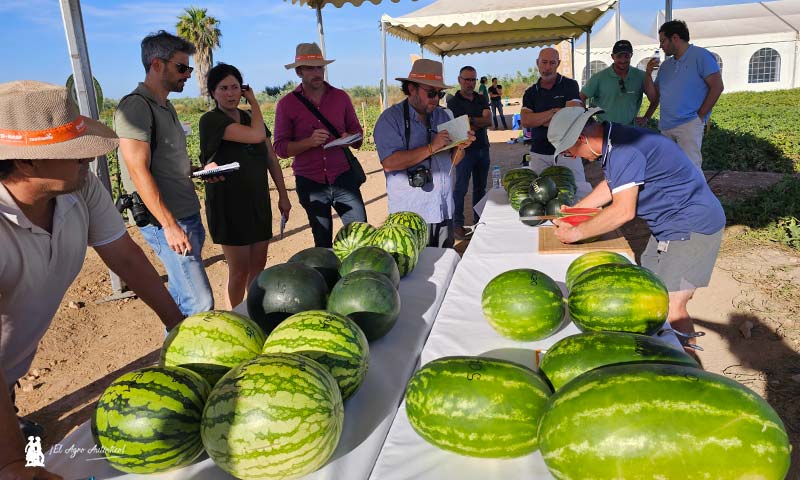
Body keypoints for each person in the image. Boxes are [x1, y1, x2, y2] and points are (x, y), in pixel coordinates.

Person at [0, 80, 184, 480]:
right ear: (27, 162)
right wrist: (13, 464)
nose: (88, 160)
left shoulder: (78, 185)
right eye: (75, 152)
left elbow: (126, 257)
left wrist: (179, 326)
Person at [547, 106, 725, 347]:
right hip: (668, 224)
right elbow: (613, 185)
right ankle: (657, 350)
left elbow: (623, 211)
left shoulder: (624, 149)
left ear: (581, 138)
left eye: (570, 151)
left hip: (691, 226)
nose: (574, 157)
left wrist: (576, 232)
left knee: (670, 305)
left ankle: (688, 369)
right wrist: (576, 212)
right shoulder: (616, 139)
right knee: (647, 296)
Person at [115, 30, 214, 316]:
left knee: (183, 299)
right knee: (200, 304)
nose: (187, 74)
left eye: (189, 68)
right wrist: (169, 225)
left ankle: (171, 356)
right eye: (181, 67)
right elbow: (136, 168)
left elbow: (164, 162)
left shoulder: (165, 105)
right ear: (157, 65)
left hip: (183, 213)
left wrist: (198, 172)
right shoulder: (136, 106)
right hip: (167, 220)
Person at [199, 63, 292, 309]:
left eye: (235, 87)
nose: (230, 93)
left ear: (243, 89)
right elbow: (256, 136)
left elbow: (271, 157)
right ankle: (235, 317)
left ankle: (251, 312)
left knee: (258, 267)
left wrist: (283, 195)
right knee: (239, 271)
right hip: (229, 204)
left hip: (258, 200)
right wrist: (256, 104)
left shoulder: (252, 119)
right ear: (213, 93)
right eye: (223, 88)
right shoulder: (210, 120)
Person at [374, 59, 475, 249]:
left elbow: (453, 161)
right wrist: (431, 147)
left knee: (444, 264)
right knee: (417, 273)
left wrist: (461, 147)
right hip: (411, 215)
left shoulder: (444, 115)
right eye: (431, 93)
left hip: (443, 209)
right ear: (411, 88)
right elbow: (389, 162)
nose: (436, 98)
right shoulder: (390, 119)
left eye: (439, 93)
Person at [273, 43, 367, 248]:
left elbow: (359, 137)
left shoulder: (340, 97)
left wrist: (348, 137)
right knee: (323, 244)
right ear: (299, 72)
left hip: (344, 177)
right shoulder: (286, 104)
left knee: (361, 237)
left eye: (319, 67)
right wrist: (309, 142)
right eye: (309, 68)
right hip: (310, 182)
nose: (316, 72)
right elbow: (280, 149)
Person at [644, 20, 724, 170]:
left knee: (691, 168)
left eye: (663, 41)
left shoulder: (701, 56)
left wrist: (700, 116)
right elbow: (654, 97)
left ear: (675, 38)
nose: (661, 46)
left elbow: (717, 87)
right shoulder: (666, 65)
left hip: (689, 124)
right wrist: (648, 73)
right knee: (667, 169)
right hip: (666, 126)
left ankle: (697, 194)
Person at [520, 48, 590, 198]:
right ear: (537, 63)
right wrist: (554, 112)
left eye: (552, 63)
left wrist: (539, 119)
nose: (547, 67)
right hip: (539, 153)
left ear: (558, 64)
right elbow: (526, 121)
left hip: (569, 150)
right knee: (543, 198)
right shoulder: (530, 92)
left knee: (577, 193)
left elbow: (571, 116)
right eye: (544, 62)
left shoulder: (570, 85)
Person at [446, 66, 491, 240]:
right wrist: (476, 121)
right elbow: (459, 127)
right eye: (467, 79)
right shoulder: (453, 102)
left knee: (480, 188)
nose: (470, 83)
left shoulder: (481, 98)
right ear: (459, 80)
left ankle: (478, 222)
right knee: (461, 188)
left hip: (483, 148)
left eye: (473, 80)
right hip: (464, 151)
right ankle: (458, 225)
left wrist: (470, 120)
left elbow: (489, 120)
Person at [579, 40, 658, 127]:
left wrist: (646, 118)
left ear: (631, 55)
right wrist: (588, 121)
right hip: (605, 131)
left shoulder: (641, 76)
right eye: (619, 56)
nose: (623, 60)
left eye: (626, 56)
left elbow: (654, 99)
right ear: (612, 56)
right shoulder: (598, 77)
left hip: (631, 130)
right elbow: (581, 98)